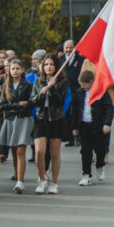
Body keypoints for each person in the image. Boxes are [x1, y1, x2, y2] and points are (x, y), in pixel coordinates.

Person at [29, 54, 68, 194]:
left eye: (51, 64)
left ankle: (54, 182)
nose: (48, 67)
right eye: (46, 65)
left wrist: (52, 88)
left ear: (56, 66)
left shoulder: (62, 81)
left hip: (56, 119)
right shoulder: (38, 81)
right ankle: (42, 178)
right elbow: (33, 101)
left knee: (54, 154)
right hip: (41, 118)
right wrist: (41, 93)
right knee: (39, 152)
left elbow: (60, 102)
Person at [0, 58, 34, 193]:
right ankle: (17, 173)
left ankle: (20, 181)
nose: (15, 71)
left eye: (18, 68)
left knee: (20, 150)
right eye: (13, 69)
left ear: (22, 69)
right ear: (9, 70)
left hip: (23, 119)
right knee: (12, 149)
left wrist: (15, 108)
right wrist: (17, 105)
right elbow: (2, 105)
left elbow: (29, 103)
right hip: (10, 120)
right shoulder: (6, 85)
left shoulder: (27, 85)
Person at [70, 69, 114, 185]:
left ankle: (100, 166)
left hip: (99, 126)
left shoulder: (101, 92)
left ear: (91, 82)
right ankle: (86, 174)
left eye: (84, 84)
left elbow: (109, 108)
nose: (82, 86)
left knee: (100, 150)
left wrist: (107, 123)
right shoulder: (79, 93)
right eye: (80, 84)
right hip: (84, 125)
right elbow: (74, 110)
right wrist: (74, 127)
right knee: (85, 151)